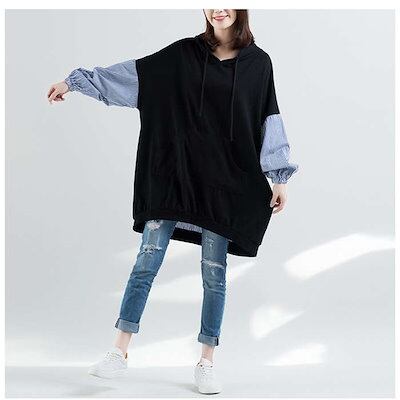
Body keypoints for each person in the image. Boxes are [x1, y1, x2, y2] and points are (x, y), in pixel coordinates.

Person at [47, 9, 298, 394]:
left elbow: (268, 117)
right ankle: (118, 352)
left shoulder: (258, 64)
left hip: (223, 185)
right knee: (146, 261)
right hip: (173, 176)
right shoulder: (182, 54)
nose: (218, 8)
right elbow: (135, 76)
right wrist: (75, 82)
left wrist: (278, 177)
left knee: (214, 273)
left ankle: (206, 361)